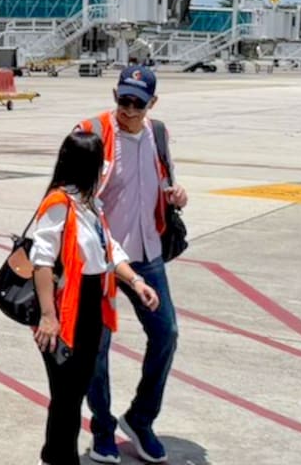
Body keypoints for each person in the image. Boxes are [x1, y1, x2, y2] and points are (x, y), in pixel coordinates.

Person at [77, 66, 188, 464]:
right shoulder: (90, 132)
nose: (127, 110)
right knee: (98, 348)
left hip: (147, 251)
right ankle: (103, 429)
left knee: (167, 333)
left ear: (152, 104)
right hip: (101, 258)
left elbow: (159, 183)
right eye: (121, 100)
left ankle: (140, 418)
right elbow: (71, 194)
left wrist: (175, 194)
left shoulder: (157, 134)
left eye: (136, 103)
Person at [31, 131, 160, 465]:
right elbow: (42, 261)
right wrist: (48, 316)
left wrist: (136, 281)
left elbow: (108, 250)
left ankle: (53, 453)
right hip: (64, 308)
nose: (105, 171)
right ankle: (61, 457)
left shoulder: (89, 204)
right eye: (100, 165)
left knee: (74, 390)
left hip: (91, 306)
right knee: (66, 395)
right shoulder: (59, 205)